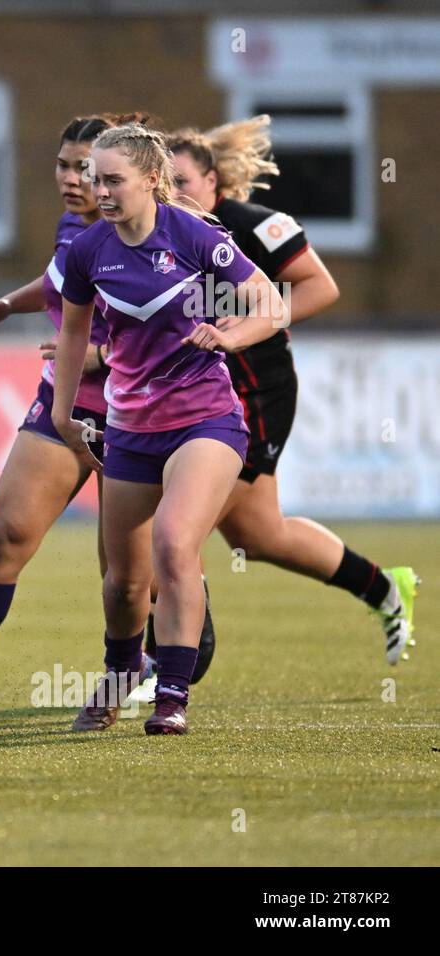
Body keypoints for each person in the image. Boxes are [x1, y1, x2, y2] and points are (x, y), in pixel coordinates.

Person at [53, 124, 287, 735]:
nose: (96, 190)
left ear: (152, 180)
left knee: (175, 545)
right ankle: (121, 669)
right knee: (124, 582)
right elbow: (75, 333)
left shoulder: (192, 235)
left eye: (112, 180)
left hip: (206, 418)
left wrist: (227, 334)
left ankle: (172, 698)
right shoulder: (87, 250)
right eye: (93, 179)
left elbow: (271, 304)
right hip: (130, 427)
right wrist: (60, 411)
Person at [167, 116, 418, 668]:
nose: (173, 192)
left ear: (214, 182)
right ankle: (384, 587)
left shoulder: (251, 226)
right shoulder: (162, 235)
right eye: (164, 181)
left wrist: (246, 326)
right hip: (200, 399)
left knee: (175, 526)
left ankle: (167, 663)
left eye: (182, 179)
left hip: (257, 397)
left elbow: (320, 286)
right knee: (258, 536)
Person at [0, 113, 150, 713]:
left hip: (140, 410)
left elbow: (177, 323)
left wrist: (104, 353)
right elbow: (58, 281)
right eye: (64, 165)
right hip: (68, 399)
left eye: (87, 168)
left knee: (126, 573)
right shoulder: (73, 229)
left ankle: (133, 671)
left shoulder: (156, 236)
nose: (75, 179)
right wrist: (6, 304)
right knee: (7, 535)